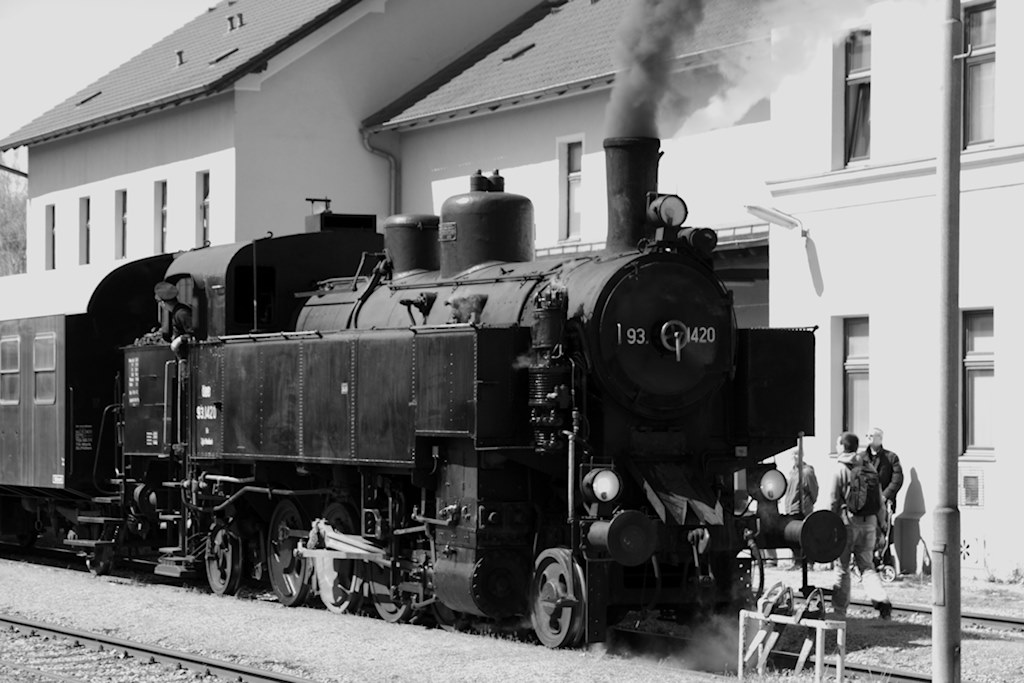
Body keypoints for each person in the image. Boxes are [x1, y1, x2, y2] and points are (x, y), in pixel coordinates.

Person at [829, 431, 892, 619]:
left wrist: (829, 525)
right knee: (867, 566)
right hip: (870, 523)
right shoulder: (869, 468)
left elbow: (832, 501)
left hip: (847, 523)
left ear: (842, 446)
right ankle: (881, 600)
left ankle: (840, 612)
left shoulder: (840, 469)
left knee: (842, 568)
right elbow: (880, 502)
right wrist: (881, 526)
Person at [781, 447, 818, 570]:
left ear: (802, 455)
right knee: (792, 537)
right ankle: (797, 562)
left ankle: (808, 563)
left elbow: (814, 490)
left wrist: (808, 503)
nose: (795, 457)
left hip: (803, 509)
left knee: (805, 536)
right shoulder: (791, 472)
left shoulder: (807, 472)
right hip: (791, 508)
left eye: (797, 454)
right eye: (793, 455)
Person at [154, 281, 193, 356]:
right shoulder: (176, 312)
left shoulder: (182, 314)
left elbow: (195, 333)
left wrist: (181, 339)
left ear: (162, 303)